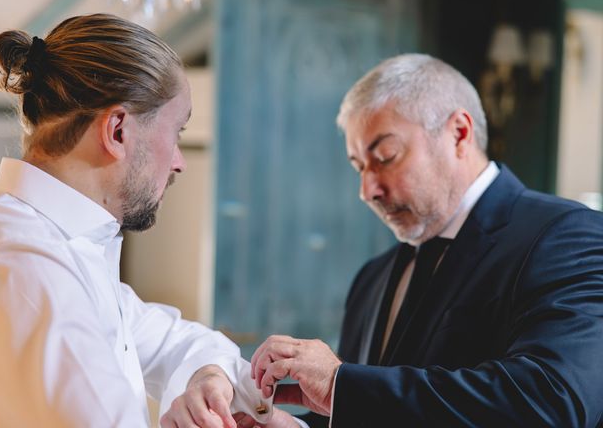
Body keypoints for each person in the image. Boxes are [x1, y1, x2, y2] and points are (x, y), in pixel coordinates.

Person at [0, 13, 303, 428]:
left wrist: (208, 378)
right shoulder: (21, 262)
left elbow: (177, 342)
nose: (178, 163)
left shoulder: (64, 247)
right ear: (118, 130)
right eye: (176, 131)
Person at [250, 54, 603, 427]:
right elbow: (377, 409)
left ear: (459, 133)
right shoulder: (372, 278)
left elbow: (553, 402)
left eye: (385, 157)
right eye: (359, 167)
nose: (367, 190)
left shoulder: (567, 235)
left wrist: (341, 385)